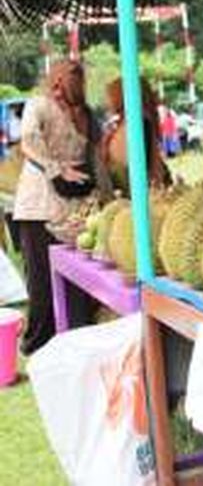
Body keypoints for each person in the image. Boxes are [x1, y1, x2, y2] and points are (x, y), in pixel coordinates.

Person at [13, 60, 107, 354]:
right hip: (38, 206)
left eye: (78, 78)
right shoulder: (38, 105)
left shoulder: (89, 116)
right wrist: (55, 168)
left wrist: (107, 195)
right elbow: (28, 141)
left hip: (75, 214)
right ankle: (37, 344)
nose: (73, 83)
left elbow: (96, 158)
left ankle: (75, 340)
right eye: (68, 77)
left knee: (78, 280)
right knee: (41, 283)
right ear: (54, 79)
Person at [101, 77, 172, 195]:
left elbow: (136, 162)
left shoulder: (138, 122)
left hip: (137, 191)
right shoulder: (130, 121)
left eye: (111, 96)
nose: (108, 102)